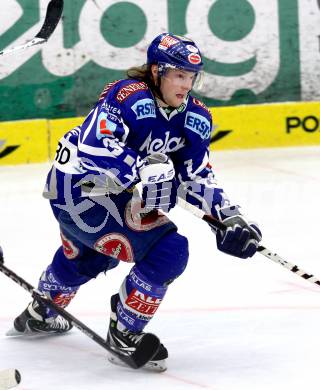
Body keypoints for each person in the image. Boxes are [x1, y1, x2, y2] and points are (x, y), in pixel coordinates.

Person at [12, 33, 262, 371]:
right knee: (168, 251)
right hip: (79, 190)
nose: (186, 85)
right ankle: (125, 332)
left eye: (191, 77)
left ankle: (42, 311)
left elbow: (196, 176)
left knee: (91, 257)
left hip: (102, 195)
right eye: (179, 75)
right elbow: (92, 147)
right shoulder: (127, 96)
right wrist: (142, 168)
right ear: (157, 71)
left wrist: (227, 217)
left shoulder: (197, 118)